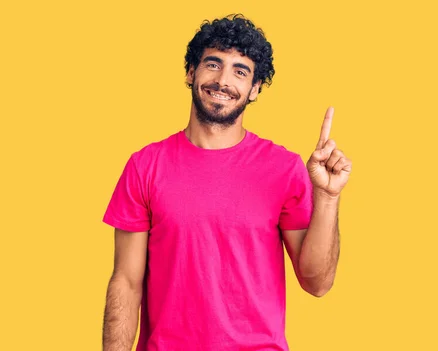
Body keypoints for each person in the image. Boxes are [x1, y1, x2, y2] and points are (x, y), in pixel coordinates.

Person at [101, 14, 352, 351]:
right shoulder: (145, 166)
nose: (223, 80)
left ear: (255, 89)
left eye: (240, 71)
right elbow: (126, 283)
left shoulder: (285, 168)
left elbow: (317, 283)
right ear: (191, 72)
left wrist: (327, 197)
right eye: (213, 64)